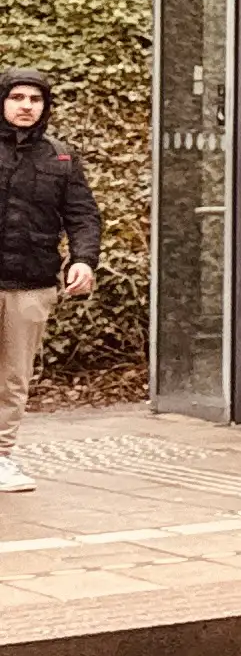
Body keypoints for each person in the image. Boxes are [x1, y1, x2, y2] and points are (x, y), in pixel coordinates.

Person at [0, 69, 103, 493]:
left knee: (14, 377)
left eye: (35, 99)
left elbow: (83, 216)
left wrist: (84, 261)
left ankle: (1, 456)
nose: (26, 105)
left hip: (32, 282)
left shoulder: (60, 158)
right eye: (17, 97)